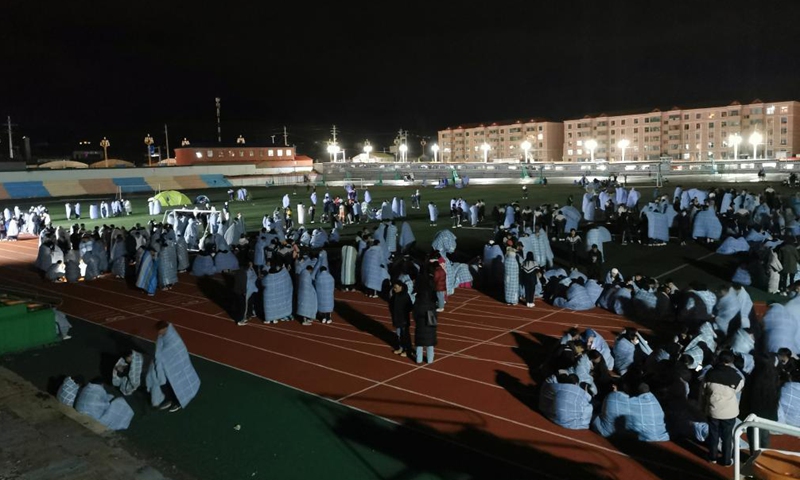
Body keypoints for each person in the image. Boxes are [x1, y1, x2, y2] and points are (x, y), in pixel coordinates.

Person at [145, 321, 201, 413]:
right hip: (169, 367)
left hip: (178, 366)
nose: (159, 333)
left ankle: (177, 402)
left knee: (174, 384)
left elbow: (170, 352)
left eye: (160, 331)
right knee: (166, 383)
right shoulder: (163, 336)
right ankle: (170, 399)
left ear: (165, 328)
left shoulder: (173, 339)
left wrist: (159, 359)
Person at [702, 350, 744, 466]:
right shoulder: (737, 377)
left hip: (713, 410)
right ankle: (726, 460)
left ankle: (712, 457)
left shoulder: (709, 374)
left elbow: (703, 391)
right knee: (727, 436)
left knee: (713, 434)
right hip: (729, 412)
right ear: (731, 361)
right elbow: (738, 390)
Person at [413, 276, 438, 364]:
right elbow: (434, 317)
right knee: (430, 343)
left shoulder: (418, 302)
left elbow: (414, 314)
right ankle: (430, 360)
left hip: (420, 323)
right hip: (430, 322)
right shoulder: (431, 303)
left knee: (419, 343)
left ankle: (418, 359)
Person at [389, 279, 413, 357]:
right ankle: (401, 347)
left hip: (404, 319)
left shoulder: (405, 296)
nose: (394, 289)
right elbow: (391, 306)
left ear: (401, 287)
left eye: (396, 287)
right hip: (396, 319)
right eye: (394, 288)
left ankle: (408, 350)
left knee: (405, 335)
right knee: (399, 334)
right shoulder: (394, 296)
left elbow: (410, 307)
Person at [234, 260, 259, 326]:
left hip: (243, 291)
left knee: (246, 304)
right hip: (242, 292)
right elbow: (242, 283)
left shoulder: (242, 271)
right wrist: (244, 291)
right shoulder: (243, 273)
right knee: (243, 306)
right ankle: (240, 320)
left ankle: (246, 316)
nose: (251, 265)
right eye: (249, 264)